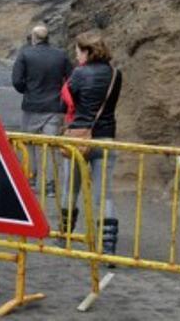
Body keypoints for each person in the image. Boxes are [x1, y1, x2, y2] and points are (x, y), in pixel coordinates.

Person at [60, 31, 122, 257]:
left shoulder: (78, 74)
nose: (76, 56)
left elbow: (65, 105)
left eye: (78, 51)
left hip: (78, 138)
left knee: (70, 189)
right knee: (104, 195)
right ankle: (107, 247)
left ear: (86, 51)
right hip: (105, 138)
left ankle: (65, 236)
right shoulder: (116, 74)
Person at [11, 24, 72, 193]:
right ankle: (51, 185)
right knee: (50, 146)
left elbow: (16, 81)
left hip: (32, 106)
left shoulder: (25, 54)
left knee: (28, 144)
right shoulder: (61, 55)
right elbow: (71, 79)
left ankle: (31, 180)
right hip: (54, 107)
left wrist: (27, 90)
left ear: (33, 37)